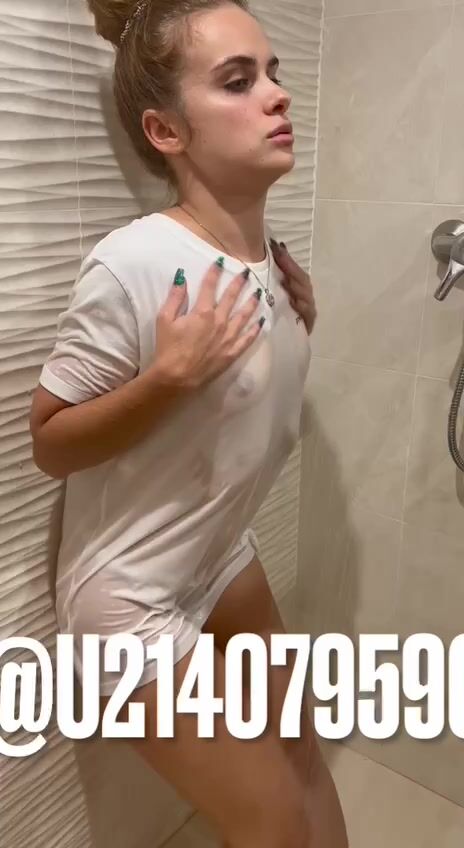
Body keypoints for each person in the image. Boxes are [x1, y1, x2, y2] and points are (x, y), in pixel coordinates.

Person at [29, 1, 348, 846]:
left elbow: (239, 414)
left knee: (300, 753)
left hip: (216, 554)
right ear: (166, 130)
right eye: (238, 81)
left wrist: (295, 324)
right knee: (272, 817)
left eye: (272, 72)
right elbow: (49, 440)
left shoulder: (270, 259)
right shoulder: (134, 261)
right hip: (127, 598)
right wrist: (167, 380)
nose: (277, 94)